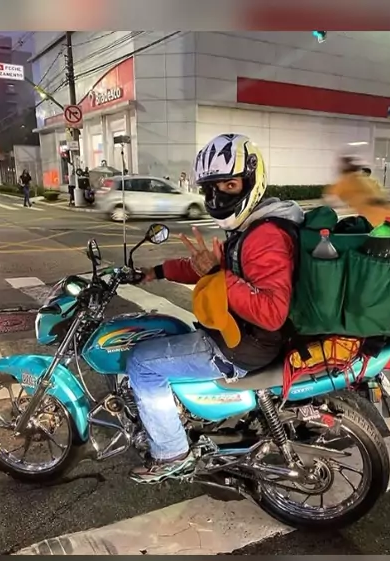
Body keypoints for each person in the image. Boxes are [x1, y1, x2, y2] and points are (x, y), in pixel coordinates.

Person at [126, 133, 304, 483]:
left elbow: (271, 312)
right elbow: (218, 266)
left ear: (252, 180)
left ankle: (172, 452)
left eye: (229, 185)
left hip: (246, 344)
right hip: (243, 333)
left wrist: (214, 275)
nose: (218, 196)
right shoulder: (253, 226)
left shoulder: (265, 236)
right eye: (211, 188)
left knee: (141, 362)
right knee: (165, 332)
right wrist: (156, 272)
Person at [324, 155, 390, 227]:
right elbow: (380, 196)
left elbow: (331, 199)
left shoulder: (345, 181)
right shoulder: (363, 179)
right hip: (384, 217)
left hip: (375, 219)